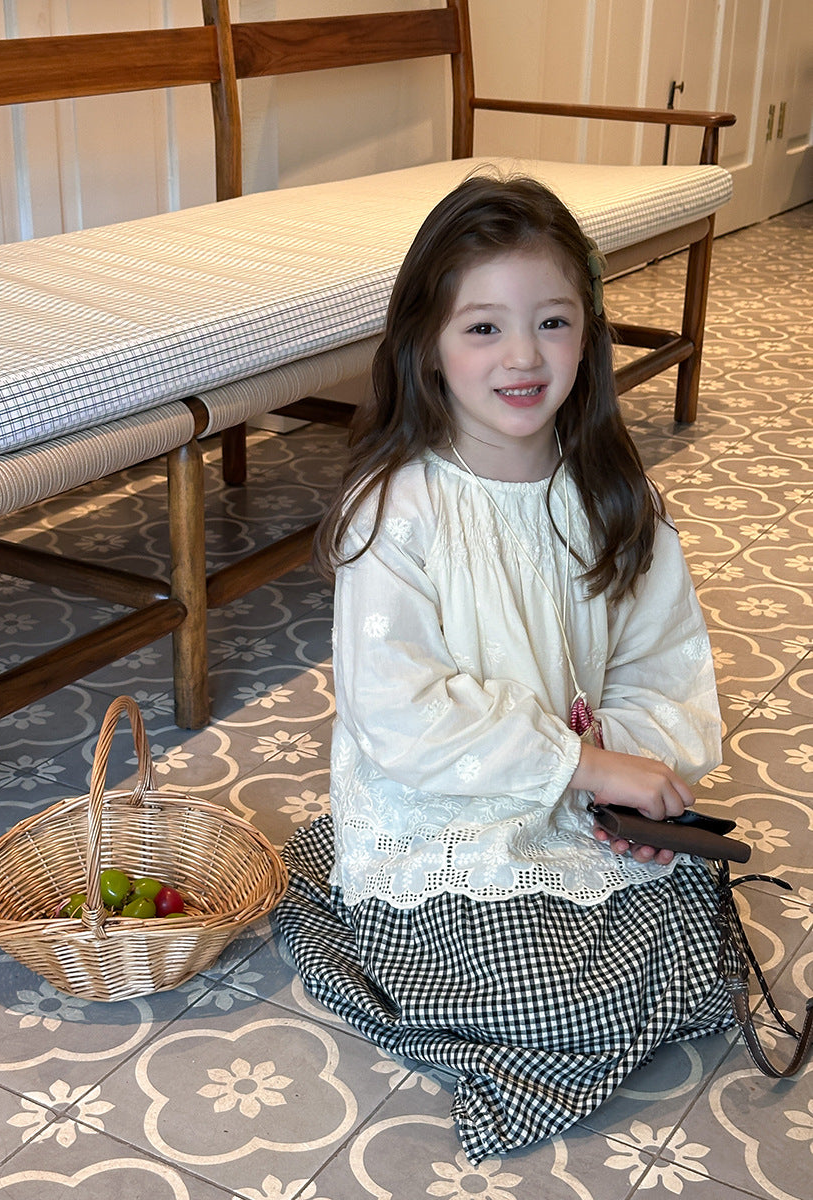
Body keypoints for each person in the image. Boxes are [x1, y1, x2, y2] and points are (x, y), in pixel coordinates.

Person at [276, 174, 733, 1162]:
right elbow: (398, 712)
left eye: (553, 322)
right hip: (445, 817)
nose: (524, 357)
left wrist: (631, 775)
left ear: (592, 335)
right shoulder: (396, 507)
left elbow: (662, 665)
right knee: (556, 997)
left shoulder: (615, 493)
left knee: (706, 946)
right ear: (427, 345)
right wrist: (581, 767)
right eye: (483, 328)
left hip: (577, 808)